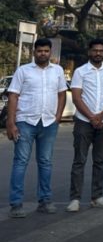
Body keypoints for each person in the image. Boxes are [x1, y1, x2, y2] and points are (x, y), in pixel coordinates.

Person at [6, 38, 68, 218]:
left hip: (48, 123)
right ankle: (16, 204)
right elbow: (13, 96)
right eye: (39, 51)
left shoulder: (58, 71)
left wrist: (58, 117)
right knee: (20, 162)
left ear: (50, 52)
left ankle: (45, 200)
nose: (43, 54)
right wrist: (11, 123)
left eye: (46, 51)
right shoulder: (23, 71)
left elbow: (62, 94)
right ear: (34, 52)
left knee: (46, 162)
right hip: (25, 121)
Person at [67, 38, 103, 212]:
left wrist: (102, 115)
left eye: (101, 50)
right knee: (79, 161)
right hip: (83, 121)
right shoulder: (80, 72)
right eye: (95, 50)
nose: (98, 53)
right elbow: (76, 97)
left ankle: (97, 197)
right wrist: (91, 117)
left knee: (100, 161)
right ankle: (74, 199)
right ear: (89, 52)